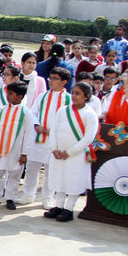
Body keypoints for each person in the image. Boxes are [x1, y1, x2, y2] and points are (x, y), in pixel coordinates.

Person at [46, 82, 100, 222]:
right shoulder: (62, 110)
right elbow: (54, 130)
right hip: (58, 153)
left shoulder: (90, 114)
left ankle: (69, 209)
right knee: (60, 178)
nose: (74, 96)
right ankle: (58, 205)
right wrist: (54, 148)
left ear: (86, 96)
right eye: (73, 92)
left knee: (73, 180)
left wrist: (70, 152)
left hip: (76, 155)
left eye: (78, 93)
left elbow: (88, 137)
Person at [22, 68, 72, 209]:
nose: (50, 80)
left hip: (55, 140)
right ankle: (28, 194)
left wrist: (56, 130)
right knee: (32, 168)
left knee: (51, 170)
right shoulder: (42, 96)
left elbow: (69, 118)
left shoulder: (68, 98)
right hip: (39, 138)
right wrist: (37, 124)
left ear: (64, 82)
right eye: (50, 77)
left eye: (55, 78)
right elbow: (33, 113)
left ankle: (47, 197)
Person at [0, 80, 36, 210]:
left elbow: (29, 135)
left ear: (19, 96)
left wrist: (25, 153)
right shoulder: (1, 110)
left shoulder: (26, 113)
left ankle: (10, 198)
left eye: (11, 93)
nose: (8, 95)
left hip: (15, 150)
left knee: (14, 175)